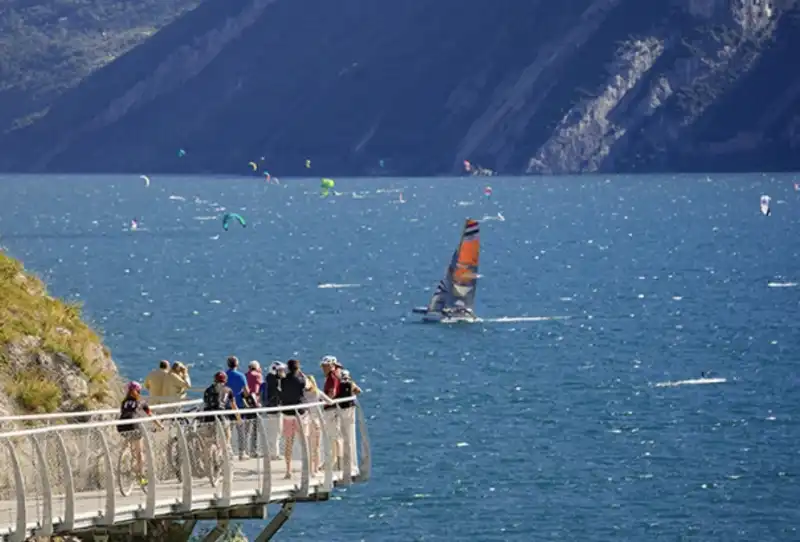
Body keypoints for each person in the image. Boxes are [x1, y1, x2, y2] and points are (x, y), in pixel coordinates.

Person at [118, 381, 163, 485]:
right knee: (140, 453)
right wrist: (159, 425)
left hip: (121, 426)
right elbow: (150, 415)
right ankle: (140, 477)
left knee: (129, 438)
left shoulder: (124, 402)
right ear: (138, 391)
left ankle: (123, 455)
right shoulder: (141, 401)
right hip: (134, 426)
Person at [279, 359, 310, 479]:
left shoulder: (283, 380)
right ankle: (306, 468)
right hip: (300, 413)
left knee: (288, 442)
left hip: (287, 413)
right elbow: (308, 386)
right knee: (304, 441)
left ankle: (288, 470)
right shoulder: (301, 379)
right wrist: (301, 373)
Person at [201, 371, 242, 456]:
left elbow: (205, 403)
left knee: (209, 439)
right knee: (227, 433)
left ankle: (208, 457)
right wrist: (239, 418)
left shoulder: (208, 390)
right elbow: (233, 405)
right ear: (225, 380)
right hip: (221, 415)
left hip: (208, 416)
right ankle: (225, 450)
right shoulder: (228, 390)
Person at [337, 369, 362, 473]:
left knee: (340, 435)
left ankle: (340, 460)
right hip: (350, 411)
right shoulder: (351, 384)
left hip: (340, 410)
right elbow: (359, 391)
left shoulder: (339, 384)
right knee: (348, 436)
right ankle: (349, 460)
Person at [225, 356, 249, 459]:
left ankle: (228, 451)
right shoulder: (241, 376)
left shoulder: (225, 375)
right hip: (239, 406)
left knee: (227, 430)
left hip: (226, 406)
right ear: (237, 364)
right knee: (240, 430)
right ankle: (241, 452)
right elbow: (246, 391)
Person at [320, 355, 342, 470]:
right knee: (334, 436)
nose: (323, 368)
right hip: (334, 409)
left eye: (325, 366)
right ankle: (336, 460)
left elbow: (332, 392)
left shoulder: (332, 377)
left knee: (331, 436)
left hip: (331, 410)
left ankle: (333, 461)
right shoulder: (335, 375)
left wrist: (324, 402)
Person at [261, 361, 285, 460]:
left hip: (271, 408)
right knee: (275, 432)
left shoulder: (269, 379)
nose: (283, 372)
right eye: (280, 370)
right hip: (274, 408)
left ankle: (273, 452)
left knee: (274, 432)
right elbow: (278, 393)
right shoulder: (274, 381)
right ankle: (274, 454)